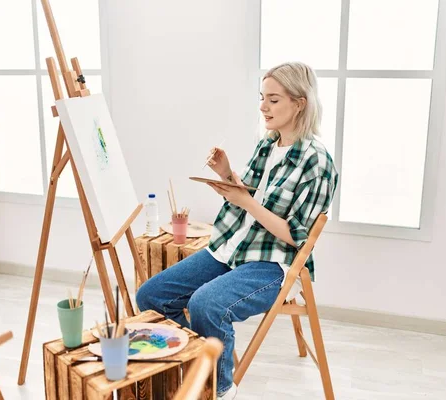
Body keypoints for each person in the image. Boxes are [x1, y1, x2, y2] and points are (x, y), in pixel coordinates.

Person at [136, 62, 338, 400]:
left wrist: (245, 201)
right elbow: (249, 194)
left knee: (206, 305)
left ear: (299, 103)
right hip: (233, 248)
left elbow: (296, 236)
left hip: (275, 262)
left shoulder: (317, 162)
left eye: (273, 100)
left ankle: (221, 389)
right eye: (262, 98)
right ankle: (202, 362)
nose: (263, 107)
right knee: (150, 297)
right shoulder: (268, 145)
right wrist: (227, 173)